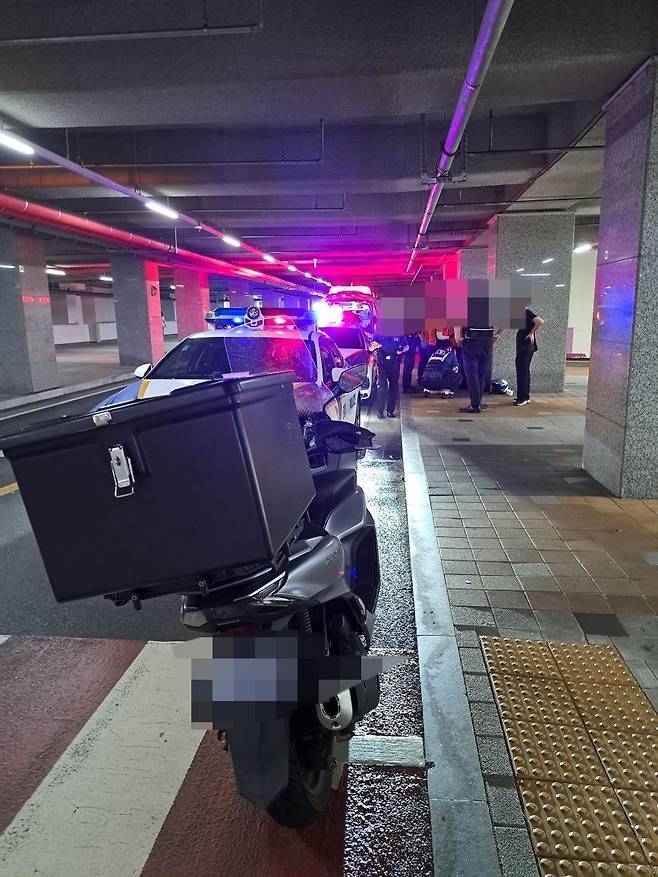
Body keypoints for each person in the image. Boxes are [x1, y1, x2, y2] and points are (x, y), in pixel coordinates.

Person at [454, 323, 499, 413]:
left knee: (472, 373)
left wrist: (457, 337)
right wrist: (498, 334)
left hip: (471, 339)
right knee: (481, 373)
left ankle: (475, 405)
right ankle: (478, 402)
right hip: (487, 340)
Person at [370, 334, 409, 418]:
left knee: (393, 387)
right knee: (381, 387)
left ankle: (390, 411)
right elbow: (371, 347)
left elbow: (406, 346)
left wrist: (400, 351)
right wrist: (375, 346)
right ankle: (380, 412)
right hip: (382, 363)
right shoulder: (379, 332)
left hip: (394, 363)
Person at [514, 307, 544, 406]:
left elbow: (540, 321)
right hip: (525, 347)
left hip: (525, 347)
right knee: (524, 371)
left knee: (522, 372)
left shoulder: (526, 313)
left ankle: (522, 398)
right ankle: (524, 396)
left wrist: (531, 333)